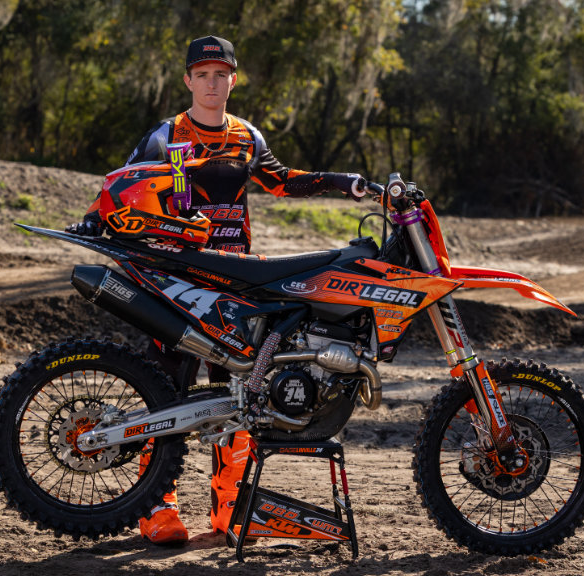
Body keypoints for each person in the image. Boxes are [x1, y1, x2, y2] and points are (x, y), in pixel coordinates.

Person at [69, 35, 366, 546]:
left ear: (233, 79)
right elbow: (123, 184)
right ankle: (156, 508)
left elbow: (283, 181)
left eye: (220, 74)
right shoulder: (166, 136)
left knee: (241, 392)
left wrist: (343, 183)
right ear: (187, 80)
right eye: (202, 74)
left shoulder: (246, 136)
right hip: (177, 278)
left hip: (237, 279)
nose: (211, 82)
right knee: (164, 387)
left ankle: (228, 508)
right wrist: (92, 221)